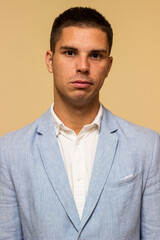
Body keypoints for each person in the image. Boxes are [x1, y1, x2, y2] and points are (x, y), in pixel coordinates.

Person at [0, 7, 160, 240]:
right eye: (70, 52)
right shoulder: (9, 151)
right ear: (50, 60)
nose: (83, 66)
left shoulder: (148, 146)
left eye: (95, 55)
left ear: (109, 65)